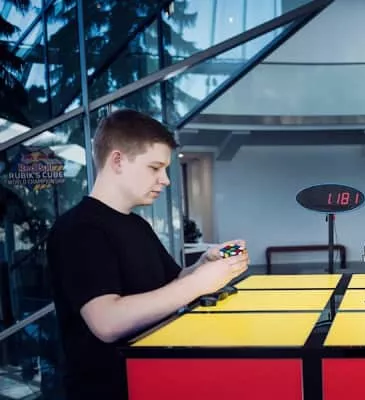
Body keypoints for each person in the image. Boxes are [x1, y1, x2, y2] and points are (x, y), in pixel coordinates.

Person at [46, 109, 249, 399]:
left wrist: (203, 265)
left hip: (152, 382)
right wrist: (198, 284)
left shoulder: (136, 224)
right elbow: (107, 322)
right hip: (107, 391)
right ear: (118, 161)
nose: (165, 180)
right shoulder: (79, 229)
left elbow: (171, 282)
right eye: (155, 168)